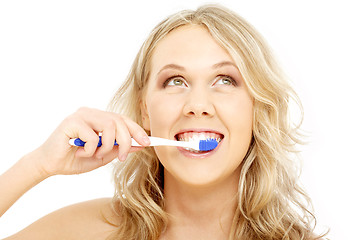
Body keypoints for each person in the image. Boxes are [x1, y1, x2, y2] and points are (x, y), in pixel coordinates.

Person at [0, 4, 326, 240]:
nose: (198, 106)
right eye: (175, 81)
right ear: (144, 110)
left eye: (225, 80)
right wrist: (38, 165)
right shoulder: (86, 230)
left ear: (257, 107)